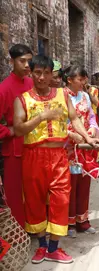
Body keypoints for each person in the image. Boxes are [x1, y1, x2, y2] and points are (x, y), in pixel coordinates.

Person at [13, 56, 99, 264]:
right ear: (31, 73)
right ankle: (42, 246)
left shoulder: (62, 95)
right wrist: (41, 117)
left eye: (46, 72)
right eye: (37, 72)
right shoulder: (22, 99)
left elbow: (75, 118)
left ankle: (54, 247)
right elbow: (17, 129)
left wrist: (88, 137)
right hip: (33, 155)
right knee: (34, 201)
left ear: (52, 74)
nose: (42, 77)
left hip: (58, 156)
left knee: (61, 200)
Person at [63, 66, 99, 237]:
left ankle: (82, 221)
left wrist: (93, 130)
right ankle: (68, 223)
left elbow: (91, 117)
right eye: (80, 79)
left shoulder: (85, 96)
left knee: (84, 184)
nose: (84, 82)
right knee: (70, 185)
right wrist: (71, 134)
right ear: (69, 80)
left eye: (84, 79)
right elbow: (58, 124)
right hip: (68, 151)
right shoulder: (60, 96)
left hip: (85, 148)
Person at [0, 44, 33, 228]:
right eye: (22, 61)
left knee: (34, 189)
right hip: (14, 148)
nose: (27, 65)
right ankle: (18, 231)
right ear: (11, 61)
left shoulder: (32, 83)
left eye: (29, 61)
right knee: (14, 192)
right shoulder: (4, 88)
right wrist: (9, 131)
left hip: (35, 143)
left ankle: (35, 226)